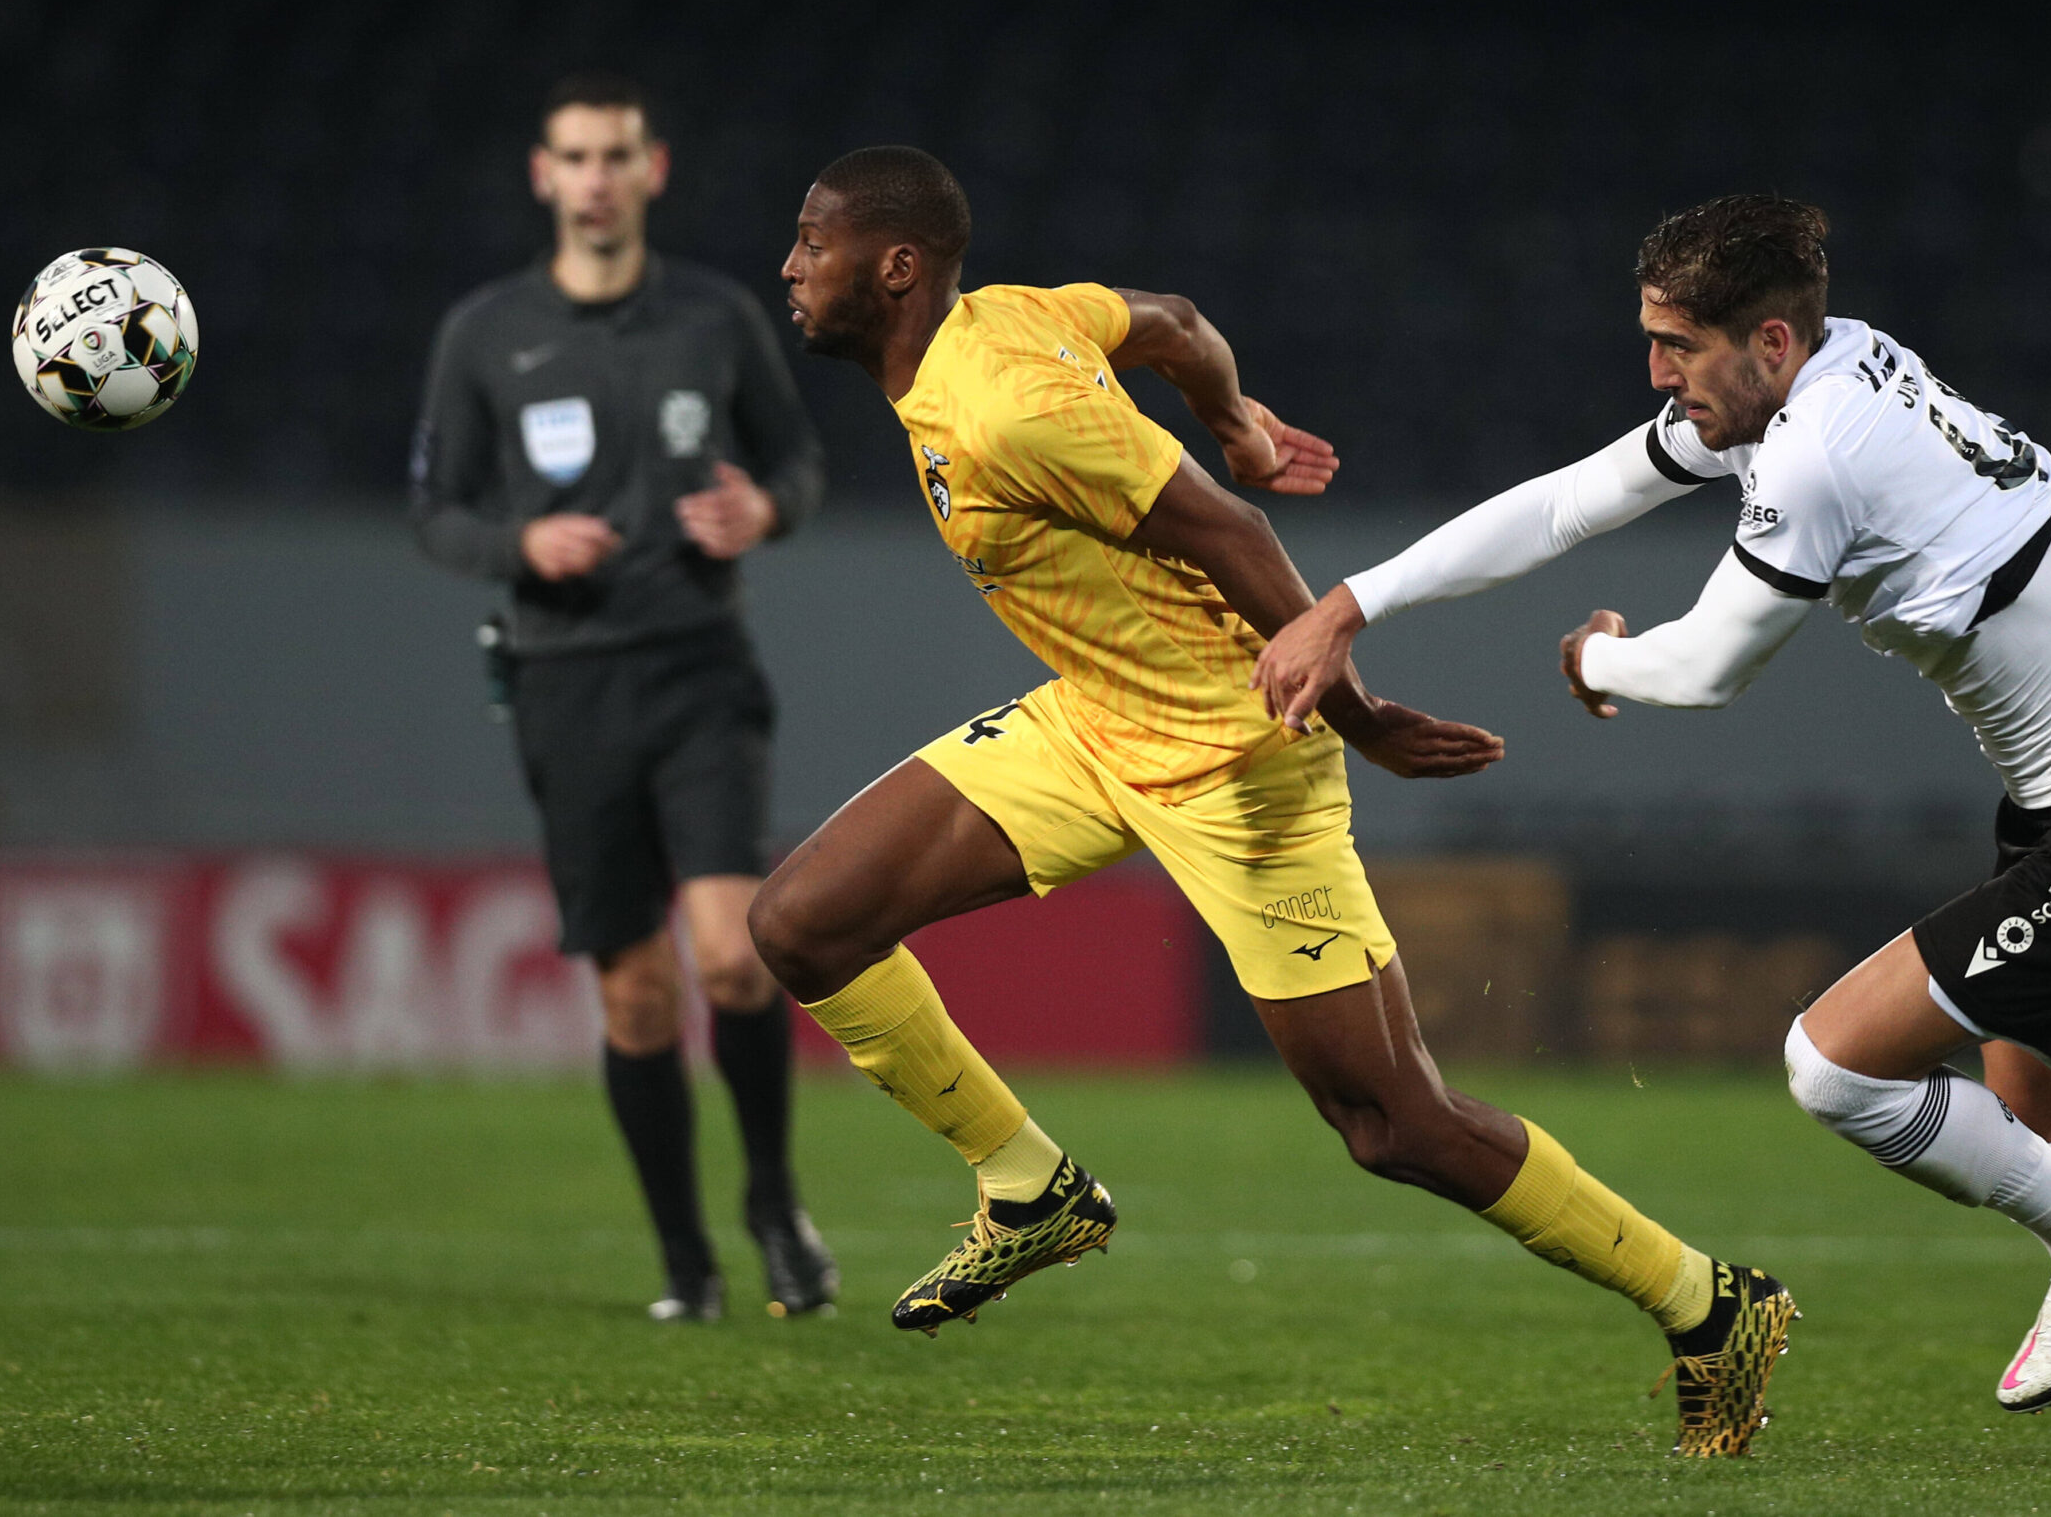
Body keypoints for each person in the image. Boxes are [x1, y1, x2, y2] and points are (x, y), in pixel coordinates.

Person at [1252, 193, 2051, 1478]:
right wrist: (1351, 604)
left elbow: (1706, 671)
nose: (1656, 373)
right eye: (1650, 339)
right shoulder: (1827, 368)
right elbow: (1562, 506)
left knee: (1835, 1066)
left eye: (1679, 346)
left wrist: (1604, 655)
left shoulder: (1819, 451)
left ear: (1767, 342)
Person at [748, 145, 1796, 1458]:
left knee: (1392, 1124)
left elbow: (1231, 536)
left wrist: (1356, 715)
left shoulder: (1006, 403)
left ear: (893, 264)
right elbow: (1177, 324)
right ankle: (1031, 1189)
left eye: (810, 241)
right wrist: (1237, 415)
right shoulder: (1004, 319)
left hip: (1243, 753)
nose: (790, 265)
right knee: (803, 921)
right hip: (1094, 718)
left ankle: (1708, 1301)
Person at [411, 72, 836, 1322]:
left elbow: (800, 460)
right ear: (543, 177)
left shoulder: (714, 317)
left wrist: (764, 508)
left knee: (732, 954)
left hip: (700, 666)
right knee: (635, 991)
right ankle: (686, 1265)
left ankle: (770, 1199)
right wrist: (517, 548)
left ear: (653, 170)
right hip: (563, 684)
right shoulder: (485, 334)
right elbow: (437, 511)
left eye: (616, 156)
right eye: (574, 157)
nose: (595, 178)